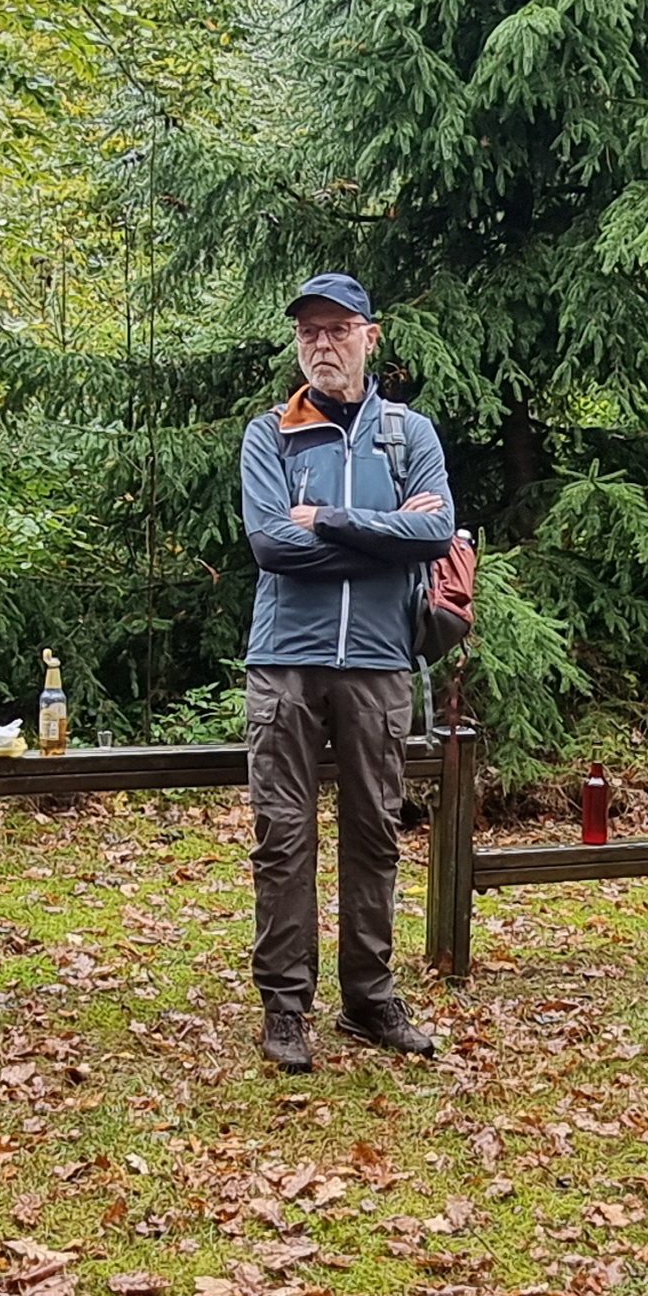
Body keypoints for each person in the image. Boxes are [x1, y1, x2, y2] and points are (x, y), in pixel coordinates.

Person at [238, 273, 455, 1074]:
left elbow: (435, 535)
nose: (321, 344)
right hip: (284, 662)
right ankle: (284, 1009)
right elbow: (269, 547)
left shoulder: (410, 434)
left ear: (371, 335)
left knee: (374, 833)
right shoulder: (271, 434)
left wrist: (326, 520)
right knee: (282, 839)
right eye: (308, 333)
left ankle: (368, 998)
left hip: (377, 661)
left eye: (336, 330)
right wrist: (384, 536)